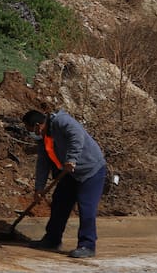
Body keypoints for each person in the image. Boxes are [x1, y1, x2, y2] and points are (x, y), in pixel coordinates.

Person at [21, 109, 107, 258]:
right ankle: (52, 239)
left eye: (30, 130)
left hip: (91, 171)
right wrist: (39, 188)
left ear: (37, 125)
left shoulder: (62, 122)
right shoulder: (43, 138)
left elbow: (77, 136)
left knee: (86, 208)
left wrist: (72, 159)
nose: (31, 133)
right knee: (59, 204)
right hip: (69, 173)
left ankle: (87, 245)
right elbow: (43, 163)